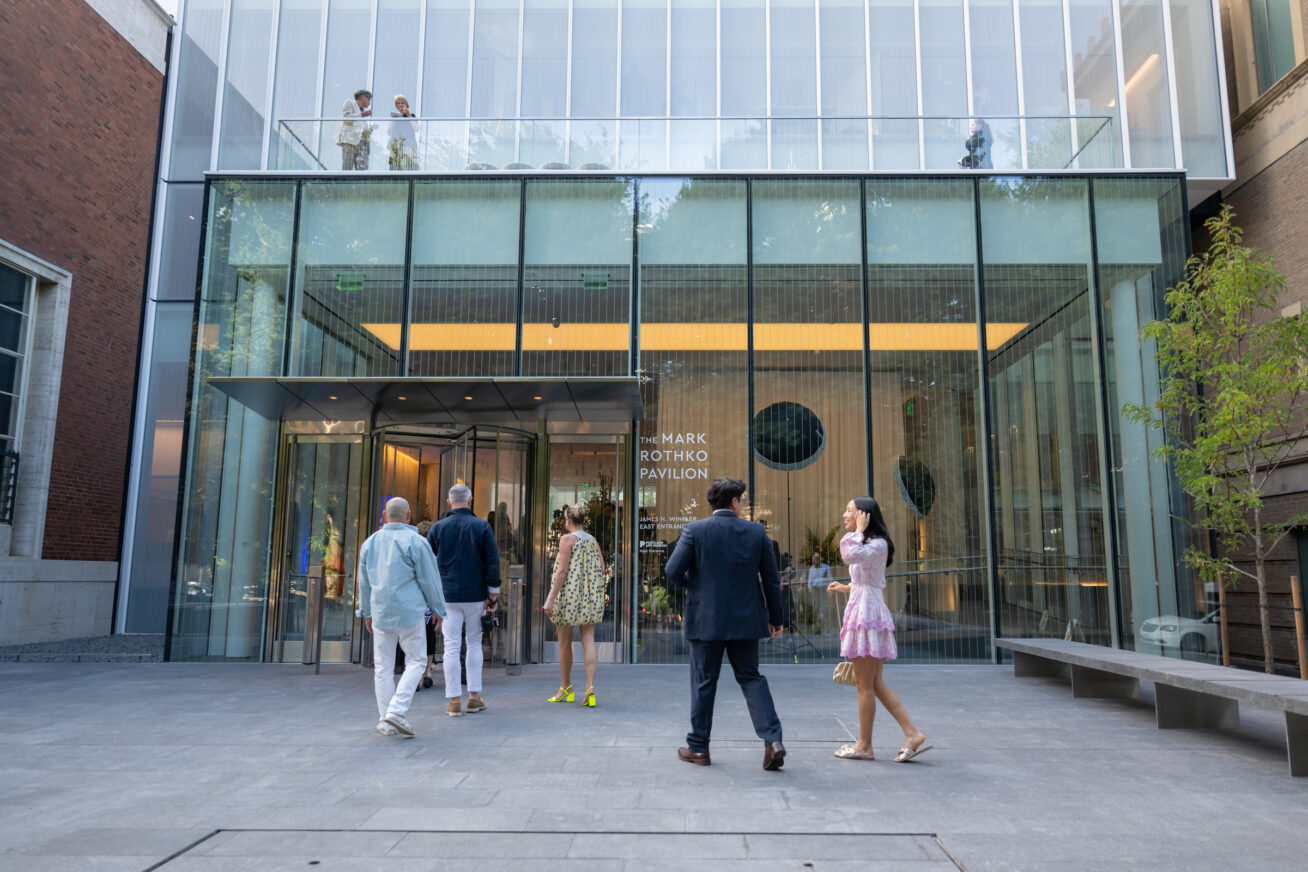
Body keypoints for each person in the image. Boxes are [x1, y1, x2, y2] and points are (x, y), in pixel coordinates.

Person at [664, 476, 787, 770]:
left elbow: (672, 571)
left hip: (705, 620)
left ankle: (699, 749)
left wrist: (693, 585)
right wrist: (776, 618)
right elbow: (771, 580)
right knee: (751, 678)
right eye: (742, 500)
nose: (743, 505)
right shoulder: (756, 532)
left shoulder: (694, 530)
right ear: (734, 501)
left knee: (704, 682)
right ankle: (773, 741)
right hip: (746, 620)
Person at [827, 497, 931, 762]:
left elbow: (848, 553)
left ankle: (864, 745)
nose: (844, 515)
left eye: (849, 510)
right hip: (865, 609)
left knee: (865, 685)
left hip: (867, 614)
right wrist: (845, 587)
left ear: (864, 515)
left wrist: (859, 530)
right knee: (873, 683)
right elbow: (867, 578)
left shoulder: (875, 543)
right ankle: (912, 733)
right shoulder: (870, 544)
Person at [357, 497, 446, 738]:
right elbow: (430, 579)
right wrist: (438, 608)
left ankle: (385, 719)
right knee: (417, 661)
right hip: (410, 612)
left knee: (383, 667)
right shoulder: (417, 542)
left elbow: (363, 582)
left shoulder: (370, 543)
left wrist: (365, 610)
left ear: (385, 516)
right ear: (408, 515)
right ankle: (396, 712)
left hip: (380, 612)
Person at [427, 483, 501, 717]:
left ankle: (454, 701)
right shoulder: (482, 526)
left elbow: (429, 565)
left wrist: (432, 598)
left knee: (450, 646)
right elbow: (492, 560)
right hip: (476, 595)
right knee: (474, 643)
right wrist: (493, 593)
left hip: (447, 596)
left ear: (449, 502)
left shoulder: (437, 528)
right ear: (470, 500)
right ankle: (474, 697)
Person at [543, 503, 606, 707]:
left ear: (568, 520)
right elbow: (602, 569)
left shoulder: (566, 539)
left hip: (568, 597)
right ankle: (590, 687)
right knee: (588, 639)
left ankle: (566, 687)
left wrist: (550, 598)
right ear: (584, 520)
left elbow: (561, 572)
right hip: (589, 597)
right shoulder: (593, 540)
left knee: (564, 642)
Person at [338, 88, 372, 171]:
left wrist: (370, 129)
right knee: (347, 164)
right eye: (368, 99)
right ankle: (345, 181)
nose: (369, 102)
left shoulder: (363, 112)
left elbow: (361, 127)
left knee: (362, 168)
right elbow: (346, 118)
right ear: (362, 97)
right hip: (350, 141)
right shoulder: (349, 103)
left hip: (362, 143)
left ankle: (360, 183)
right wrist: (361, 115)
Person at [388, 95, 419, 170]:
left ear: (406, 105)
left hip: (409, 144)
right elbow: (389, 132)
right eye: (398, 103)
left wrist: (409, 115)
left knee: (408, 163)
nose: (401, 105)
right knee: (395, 165)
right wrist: (393, 120)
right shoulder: (395, 117)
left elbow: (416, 129)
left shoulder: (412, 116)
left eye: (402, 103)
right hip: (396, 145)